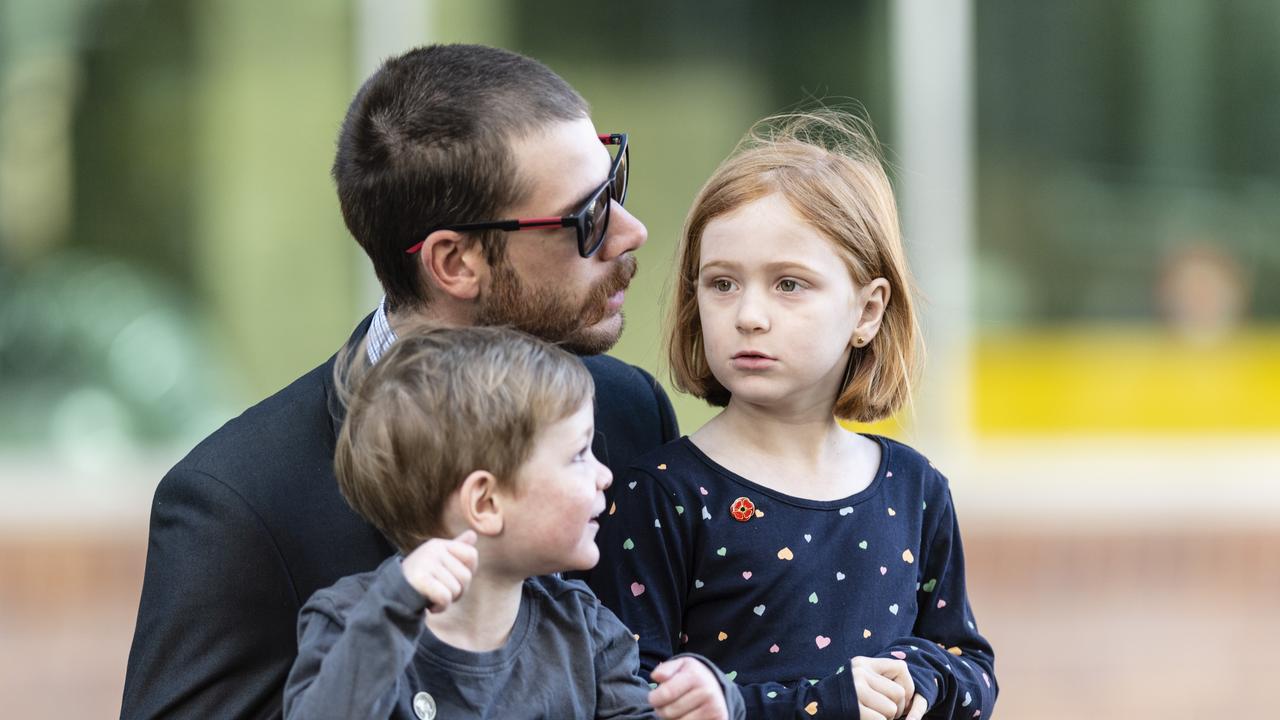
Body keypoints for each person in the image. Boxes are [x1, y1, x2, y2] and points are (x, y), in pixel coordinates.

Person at [123, 44, 677, 719]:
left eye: (614, 182)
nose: (631, 231)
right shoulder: (238, 501)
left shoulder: (628, 411)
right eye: (586, 218)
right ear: (454, 262)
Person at [585, 110, 998, 720]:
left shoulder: (914, 489)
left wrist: (920, 682)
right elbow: (623, 697)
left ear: (868, 311)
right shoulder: (663, 494)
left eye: (789, 284)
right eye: (722, 284)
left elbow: (970, 665)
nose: (749, 314)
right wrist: (818, 704)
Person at [282, 324, 743, 720]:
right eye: (579, 454)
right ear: (485, 502)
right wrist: (393, 608)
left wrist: (710, 702)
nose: (605, 474)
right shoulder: (354, 621)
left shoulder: (584, 630)